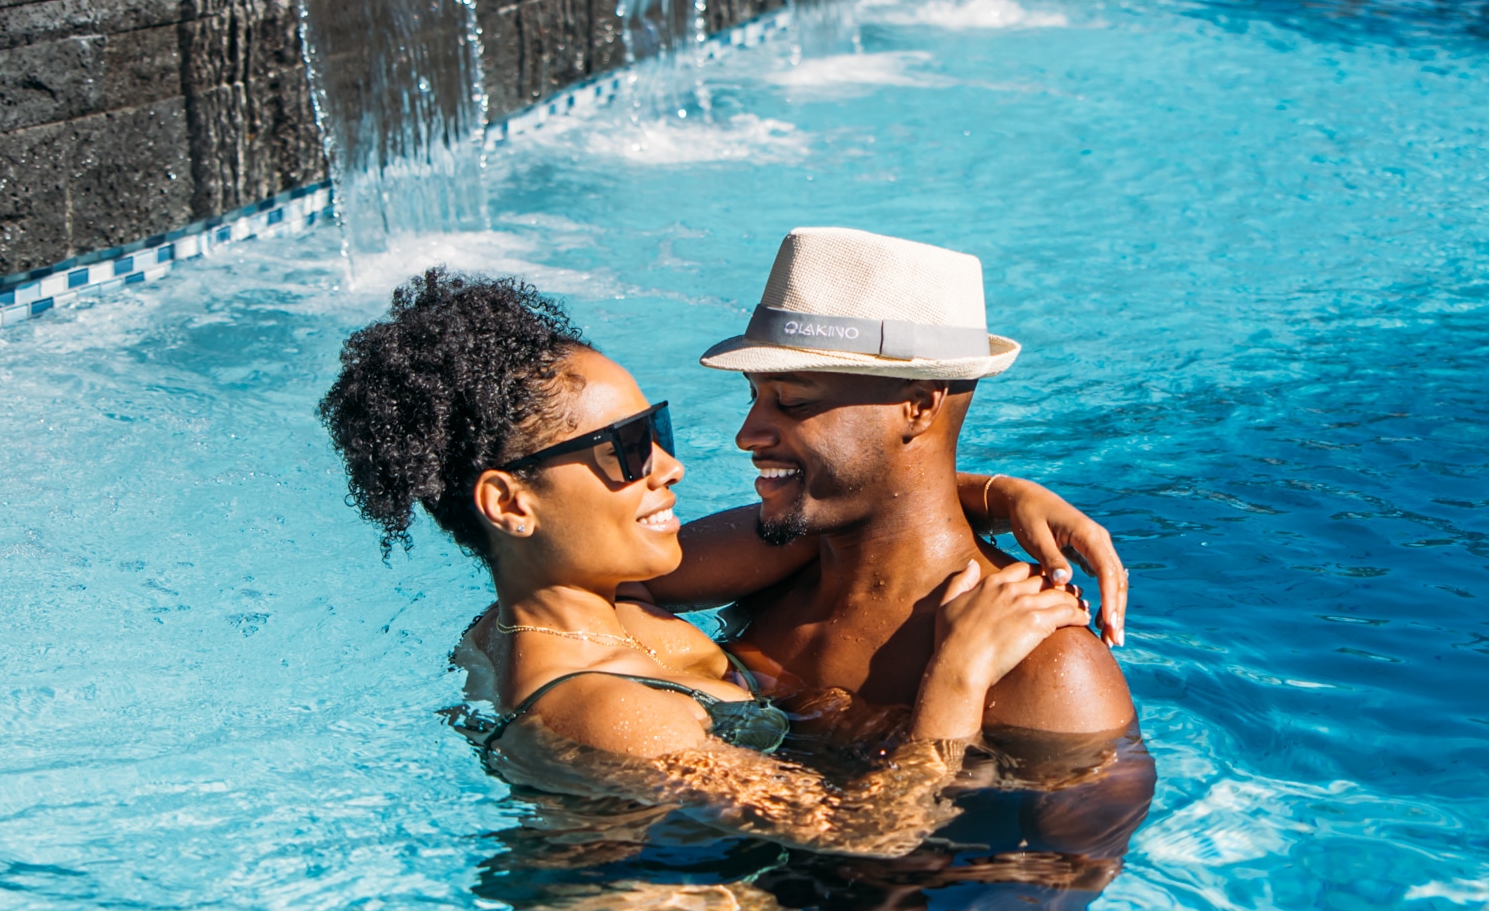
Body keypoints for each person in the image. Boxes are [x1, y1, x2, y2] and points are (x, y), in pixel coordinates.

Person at [314, 268, 1114, 850]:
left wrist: (999, 493)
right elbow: (873, 831)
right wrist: (959, 673)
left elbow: (868, 505)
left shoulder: (597, 597)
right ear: (511, 504)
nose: (674, 464)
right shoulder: (600, 706)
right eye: (627, 450)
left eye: (654, 428)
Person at [699, 226, 1140, 793]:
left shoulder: (1044, 663)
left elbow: (1070, 872)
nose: (746, 434)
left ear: (918, 404)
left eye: (792, 400)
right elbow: (587, 577)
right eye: (752, 394)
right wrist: (994, 493)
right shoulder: (774, 569)